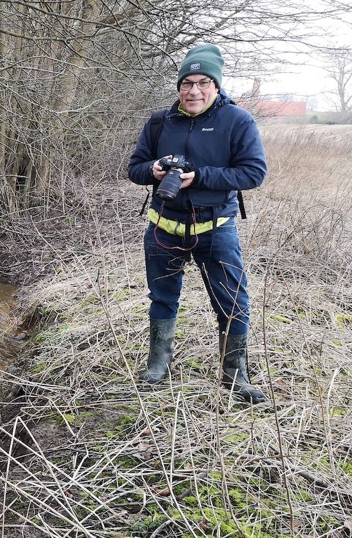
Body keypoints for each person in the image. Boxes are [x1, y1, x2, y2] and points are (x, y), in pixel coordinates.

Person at [127, 44, 267, 404]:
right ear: (178, 87)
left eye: (203, 82)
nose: (194, 90)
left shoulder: (238, 121)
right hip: (162, 228)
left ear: (216, 86)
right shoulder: (160, 121)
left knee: (233, 302)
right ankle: (158, 365)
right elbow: (135, 167)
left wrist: (199, 176)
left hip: (215, 229)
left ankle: (235, 375)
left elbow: (253, 173)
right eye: (187, 83)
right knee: (162, 298)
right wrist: (154, 170)